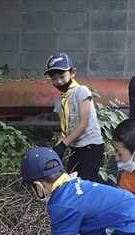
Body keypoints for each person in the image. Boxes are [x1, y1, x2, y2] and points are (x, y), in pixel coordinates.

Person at [45, 52, 105, 182]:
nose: (59, 81)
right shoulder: (60, 100)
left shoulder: (81, 91)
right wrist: (56, 151)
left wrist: (64, 145)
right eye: (54, 78)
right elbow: (64, 130)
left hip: (91, 145)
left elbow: (83, 123)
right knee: (72, 181)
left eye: (62, 76)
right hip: (75, 147)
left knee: (85, 183)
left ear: (73, 72)